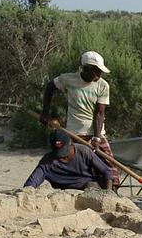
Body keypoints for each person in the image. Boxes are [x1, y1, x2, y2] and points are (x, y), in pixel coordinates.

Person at [39, 51, 119, 187]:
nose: (99, 75)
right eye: (96, 71)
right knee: (61, 158)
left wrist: (97, 138)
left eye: (101, 72)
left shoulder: (103, 85)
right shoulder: (68, 79)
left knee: (109, 163)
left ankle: (112, 190)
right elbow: (50, 87)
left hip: (95, 133)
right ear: (86, 68)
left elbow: (99, 113)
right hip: (73, 131)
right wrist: (45, 113)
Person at [24, 128, 113, 190]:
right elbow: (30, 185)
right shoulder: (47, 162)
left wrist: (108, 192)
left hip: (87, 187)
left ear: (70, 143)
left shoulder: (83, 151)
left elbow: (106, 171)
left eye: (64, 150)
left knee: (92, 186)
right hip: (64, 193)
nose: (62, 155)